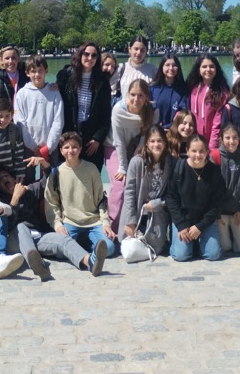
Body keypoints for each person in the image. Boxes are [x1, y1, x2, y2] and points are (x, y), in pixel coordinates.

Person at [0, 167, 107, 280]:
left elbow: (47, 181)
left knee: (63, 239)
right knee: (21, 226)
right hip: (15, 240)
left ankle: (90, 261)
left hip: (36, 236)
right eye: (0, 179)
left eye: (6, 176)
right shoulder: (0, 200)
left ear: (14, 179)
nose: (4, 179)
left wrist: (45, 166)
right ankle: (36, 263)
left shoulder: (29, 191)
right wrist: (14, 200)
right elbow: (8, 225)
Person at [44, 132, 115, 274]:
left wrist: (105, 223)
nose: (71, 151)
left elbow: (101, 199)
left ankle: (86, 247)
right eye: (66, 147)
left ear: (80, 149)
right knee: (60, 252)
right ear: (61, 150)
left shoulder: (91, 169)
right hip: (70, 221)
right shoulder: (56, 174)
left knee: (110, 248)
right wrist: (58, 225)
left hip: (93, 221)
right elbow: (51, 204)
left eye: (75, 147)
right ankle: (89, 253)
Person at [107, 78, 159, 231]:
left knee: (139, 184)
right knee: (120, 185)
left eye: (141, 95)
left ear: (147, 97)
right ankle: (111, 227)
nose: (136, 99)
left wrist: (137, 155)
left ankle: (132, 226)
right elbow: (118, 141)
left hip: (138, 149)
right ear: (128, 94)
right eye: (133, 94)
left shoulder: (153, 111)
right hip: (114, 147)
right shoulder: (118, 110)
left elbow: (146, 136)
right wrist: (123, 167)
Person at [165, 135, 227, 262]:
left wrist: (200, 226)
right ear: (187, 151)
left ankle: (199, 244)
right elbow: (171, 198)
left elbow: (216, 204)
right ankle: (184, 244)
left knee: (212, 255)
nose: (198, 155)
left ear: (207, 152)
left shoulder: (214, 171)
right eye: (194, 151)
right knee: (181, 256)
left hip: (205, 221)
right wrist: (181, 225)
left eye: (201, 151)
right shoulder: (179, 168)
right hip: (183, 219)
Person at [120, 125, 175, 255]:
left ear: (165, 142)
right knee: (131, 247)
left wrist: (158, 204)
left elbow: (174, 194)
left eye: (159, 141)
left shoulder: (171, 163)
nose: (156, 144)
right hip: (138, 211)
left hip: (157, 212)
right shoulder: (136, 162)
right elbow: (129, 193)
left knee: (156, 248)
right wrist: (130, 221)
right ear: (146, 143)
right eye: (152, 141)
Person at [56, 42, 112, 169]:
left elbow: (106, 113)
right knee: (68, 175)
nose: (90, 58)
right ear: (80, 55)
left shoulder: (102, 82)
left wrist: (98, 138)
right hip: (70, 136)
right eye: (86, 54)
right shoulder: (67, 77)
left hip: (91, 139)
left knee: (91, 175)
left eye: (94, 55)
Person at [211, 123, 240, 255]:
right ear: (221, 139)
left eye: (235, 137)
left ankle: (236, 235)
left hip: (237, 210)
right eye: (227, 138)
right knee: (225, 247)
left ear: (239, 138)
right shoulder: (215, 156)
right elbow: (211, 188)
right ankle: (226, 237)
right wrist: (216, 212)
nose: (231, 141)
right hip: (221, 212)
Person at [13, 54, 65, 163]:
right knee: (27, 173)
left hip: (51, 146)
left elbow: (58, 121)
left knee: (51, 173)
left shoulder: (54, 93)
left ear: (46, 70)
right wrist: (32, 145)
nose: (37, 74)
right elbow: (19, 121)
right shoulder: (22, 94)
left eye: (40, 70)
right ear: (27, 73)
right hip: (28, 145)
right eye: (33, 71)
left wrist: (49, 146)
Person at [185, 53, 231, 149]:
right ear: (199, 69)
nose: (208, 69)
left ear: (216, 69)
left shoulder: (222, 92)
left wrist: (211, 147)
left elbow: (217, 123)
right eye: (204, 66)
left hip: (211, 141)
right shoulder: (192, 86)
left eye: (211, 66)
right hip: (192, 138)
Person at [0, 97, 41, 184]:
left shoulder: (14, 130)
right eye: (0, 116)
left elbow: (18, 155)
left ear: (12, 116)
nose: (3, 120)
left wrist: (20, 174)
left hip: (10, 172)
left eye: (7, 116)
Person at [149, 52, 189, 129]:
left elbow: (183, 110)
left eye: (174, 65)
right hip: (155, 130)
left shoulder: (184, 89)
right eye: (167, 65)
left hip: (175, 130)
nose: (171, 68)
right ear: (162, 67)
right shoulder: (153, 88)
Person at [0, 45, 28, 113]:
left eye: (13, 58)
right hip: (2, 118)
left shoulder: (27, 76)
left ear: (18, 59)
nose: (10, 61)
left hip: (23, 117)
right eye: (7, 58)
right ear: (1, 60)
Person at [117, 36, 157, 100]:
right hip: (125, 106)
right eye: (136, 49)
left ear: (146, 52)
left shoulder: (153, 70)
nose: (138, 53)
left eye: (142, 50)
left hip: (146, 106)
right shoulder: (120, 68)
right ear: (130, 49)